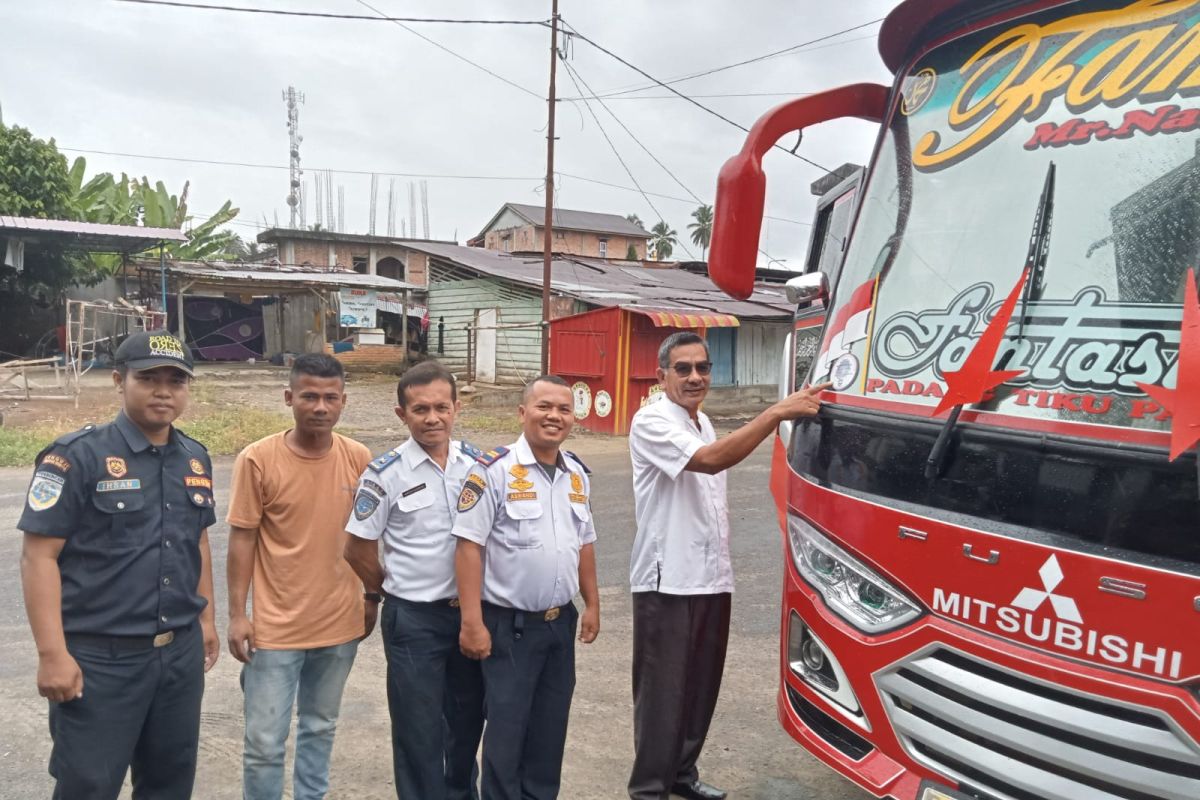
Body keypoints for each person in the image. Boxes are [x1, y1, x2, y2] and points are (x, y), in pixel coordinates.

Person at [626, 332, 828, 800]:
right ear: (661, 376)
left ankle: (681, 775)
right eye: (683, 369)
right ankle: (649, 790)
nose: (695, 377)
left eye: (702, 367)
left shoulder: (703, 421)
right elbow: (713, 463)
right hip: (667, 579)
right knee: (663, 693)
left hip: (710, 575)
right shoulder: (651, 420)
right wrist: (776, 411)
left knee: (699, 686)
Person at [18, 329, 219, 799]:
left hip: (178, 655)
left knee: (169, 782)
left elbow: (199, 540)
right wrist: (52, 655)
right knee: (88, 784)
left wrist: (206, 617)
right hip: (101, 659)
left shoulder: (194, 457)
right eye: (149, 378)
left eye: (176, 380)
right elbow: (38, 556)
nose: (164, 391)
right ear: (117, 380)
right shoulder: (75, 457)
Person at [225, 352, 373, 800]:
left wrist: (372, 597)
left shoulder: (359, 458)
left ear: (344, 401)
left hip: (339, 625)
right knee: (264, 743)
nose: (320, 407)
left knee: (320, 727)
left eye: (331, 398)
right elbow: (242, 540)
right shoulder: (258, 460)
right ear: (289, 397)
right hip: (275, 629)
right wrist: (237, 614)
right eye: (309, 396)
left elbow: (368, 540)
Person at [453, 375, 601, 800]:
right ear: (522, 413)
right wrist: (471, 622)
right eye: (544, 407)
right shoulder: (493, 471)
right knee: (507, 731)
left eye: (564, 409)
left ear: (573, 418)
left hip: (559, 625)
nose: (554, 416)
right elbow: (468, 548)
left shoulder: (576, 474)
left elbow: (584, 542)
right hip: (508, 626)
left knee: (549, 730)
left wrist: (591, 603)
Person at [344, 361, 484, 800]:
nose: (432, 418)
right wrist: (388, 588)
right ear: (401, 414)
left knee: (466, 723)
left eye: (442, 407)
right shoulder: (385, 474)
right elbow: (356, 547)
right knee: (417, 731)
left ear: (457, 408)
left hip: (470, 617)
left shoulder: (479, 465)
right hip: (415, 622)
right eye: (420, 409)